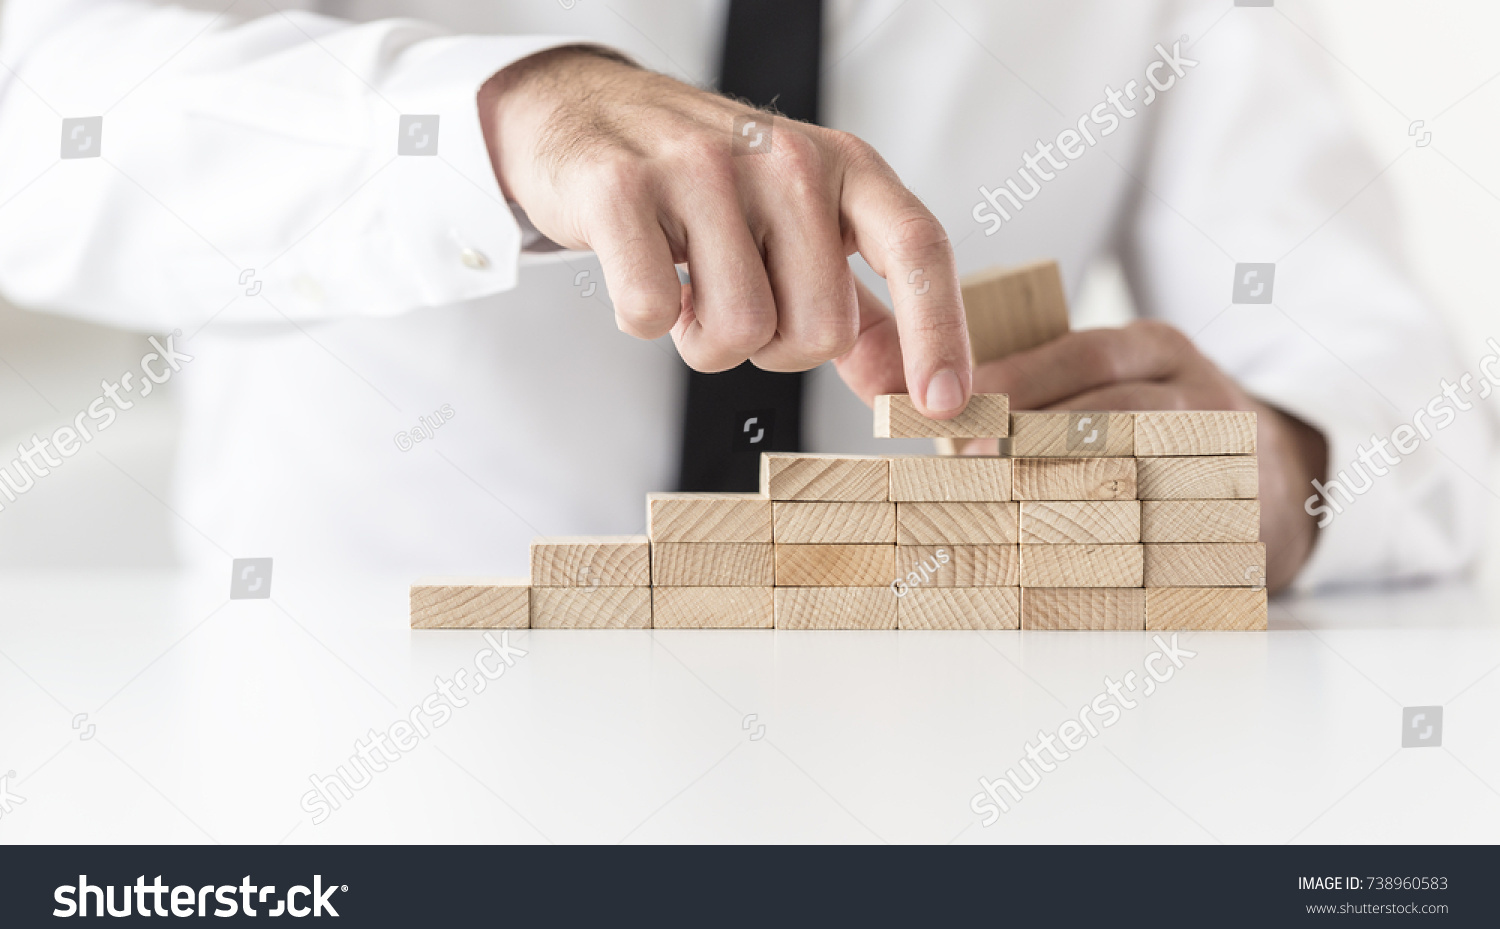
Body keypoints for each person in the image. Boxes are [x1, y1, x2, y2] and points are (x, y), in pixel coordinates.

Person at [0, 1, 1488, 593]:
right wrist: (486, 127)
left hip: (947, 781)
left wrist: (1290, 468)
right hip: (342, 760)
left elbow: (1397, 384)